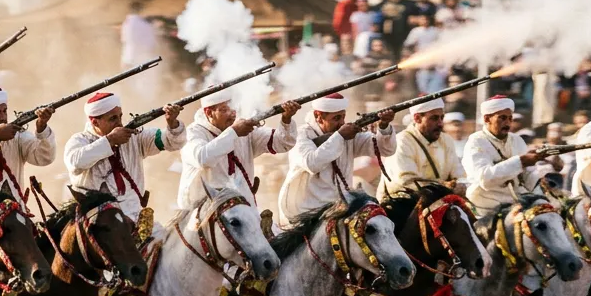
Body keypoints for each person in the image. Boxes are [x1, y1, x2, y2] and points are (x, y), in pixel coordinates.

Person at [65, 91, 185, 220]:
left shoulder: (133, 136)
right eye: (113, 119)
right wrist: (110, 140)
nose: (120, 123)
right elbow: (75, 163)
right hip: (98, 222)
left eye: (120, 116)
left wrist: (172, 123)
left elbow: (171, 142)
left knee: (166, 237)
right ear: (95, 122)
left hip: (135, 216)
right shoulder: (80, 140)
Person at [278, 93, 396, 221]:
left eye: (343, 117)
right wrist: (339, 137)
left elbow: (385, 149)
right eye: (336, 118)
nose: (341, 123)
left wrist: (384, 126)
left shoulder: (345, 134)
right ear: (318, 116)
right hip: (308, 212)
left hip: (342, 207)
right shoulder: (302, 135)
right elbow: (312, 163)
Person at [177, 88, 300, 209]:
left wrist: (286, 118)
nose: (232, 114)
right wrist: (234, 132)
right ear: (209, 112)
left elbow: (283, 143)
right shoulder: (193, 133)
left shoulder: (241, 127)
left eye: (233, 107)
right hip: (202, 211)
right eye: (224, 110)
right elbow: (202, 159)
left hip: (242, 208)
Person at [462, 95, 554, 215]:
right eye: (502, 118)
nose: (507, 123)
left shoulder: (516, 139)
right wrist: (521, 161)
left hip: (517, 199)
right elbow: (485, 179)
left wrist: (544, 178)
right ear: (487, 119)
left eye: (510, 118)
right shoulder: (476, 141)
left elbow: (527, 175)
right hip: (486, 202)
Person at [379, 98, 466, 199]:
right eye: (434, 118)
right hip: (402, 204)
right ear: (417, 118)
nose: (440, 124)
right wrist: (445, 186)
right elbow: (408, 182)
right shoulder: (402, 141)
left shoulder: (446, 140)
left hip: (439, 201)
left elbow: (458, 175)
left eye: (442, 118)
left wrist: (459, 184)